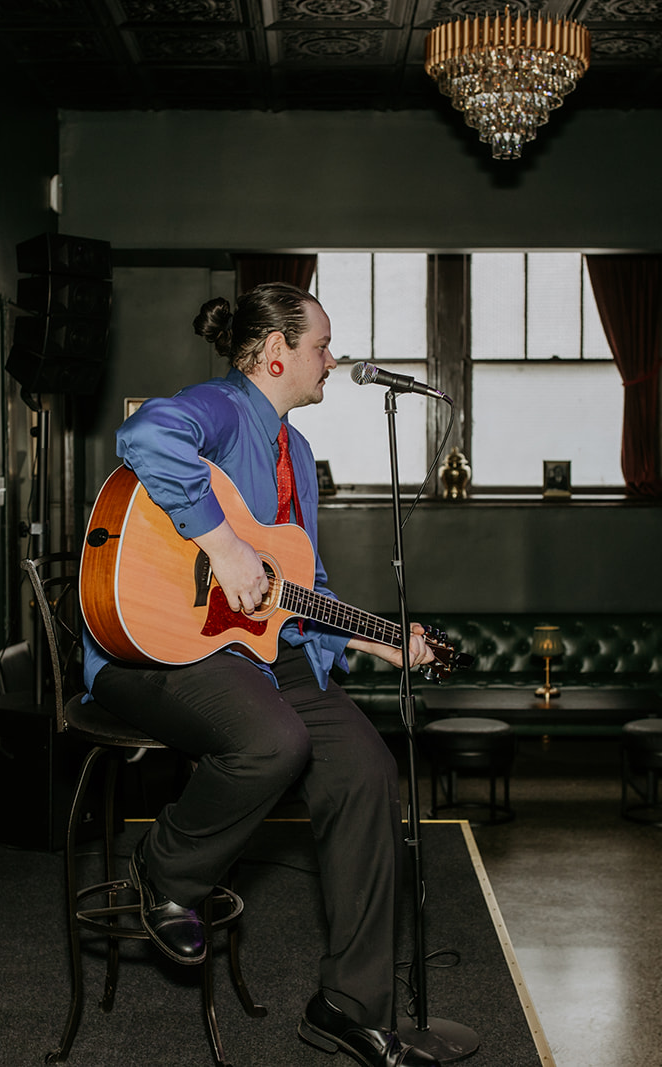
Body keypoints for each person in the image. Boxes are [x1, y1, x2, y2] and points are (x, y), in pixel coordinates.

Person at [81, 282, 440, 1067]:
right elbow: (143, 434)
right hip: (154, 649)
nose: (331, 361)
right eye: (322, 346)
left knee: (369, 775)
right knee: (273, 740)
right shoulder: (218, 405)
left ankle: (348, 1005)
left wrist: (379, 641)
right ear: (277, 352)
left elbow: (294, 581)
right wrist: (221, 541)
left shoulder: (298, 453)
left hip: (262, 653)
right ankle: (164, 869)